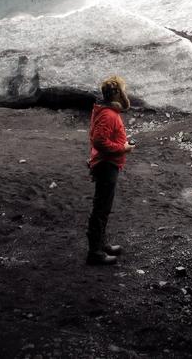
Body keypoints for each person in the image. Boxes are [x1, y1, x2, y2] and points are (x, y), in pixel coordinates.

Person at [86, 75, 135, 265]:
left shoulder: (107, 111)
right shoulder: (107, 114)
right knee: (101, 208)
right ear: (117, 93)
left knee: (104, 208)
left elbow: (101, 138)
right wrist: (122, 148)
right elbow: (98, 140)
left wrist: (121, 143)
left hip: (108, 163)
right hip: (106, 165)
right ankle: (95, 253)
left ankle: (101, 244)